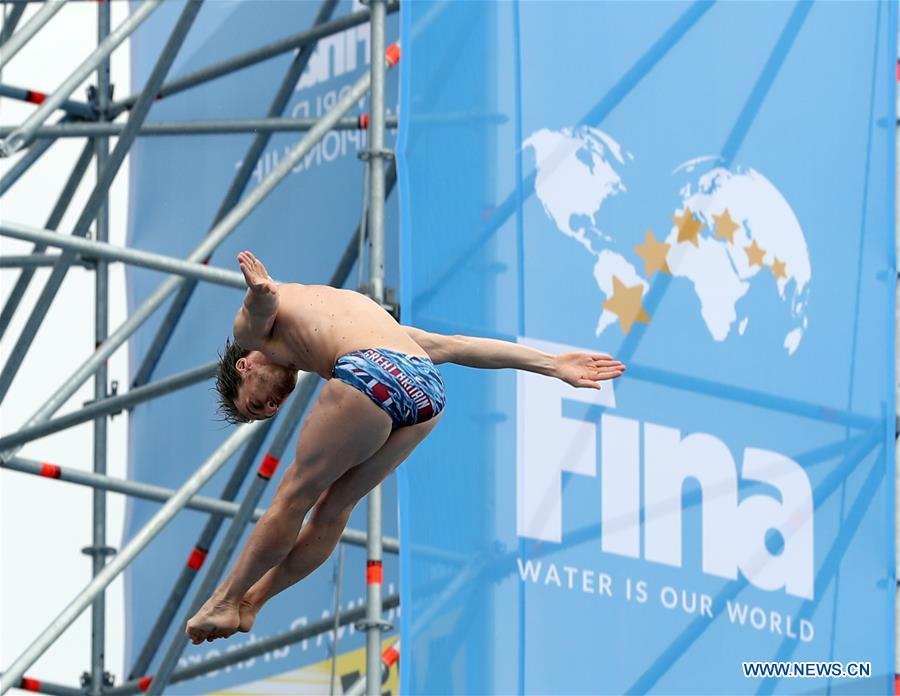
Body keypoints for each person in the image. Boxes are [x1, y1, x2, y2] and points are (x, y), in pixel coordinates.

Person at [186, 250, 626, 643]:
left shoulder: (254, 337)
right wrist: (550, 364)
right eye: (268, 412)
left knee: (293, 495)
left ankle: (225, 598)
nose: (271, 406)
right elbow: (456, 346)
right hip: (427, 392)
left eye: (257, 402)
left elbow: (259, 310)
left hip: (370, 372)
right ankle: (253, 602)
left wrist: (260, 291)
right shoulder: (357, 315)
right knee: (335, 509)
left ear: (244, 366)